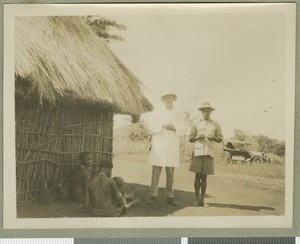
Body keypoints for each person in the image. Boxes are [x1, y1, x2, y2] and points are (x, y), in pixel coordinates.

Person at [147, 92, 186, 206]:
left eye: (170, 97)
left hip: (171, 146)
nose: (168, 99)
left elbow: (184, 128)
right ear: (163, 99)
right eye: (166, 98)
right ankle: (153, 196)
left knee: (170, 174)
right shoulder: (157, 112)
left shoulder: (178, 113)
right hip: (159, 144)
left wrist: (175, 128)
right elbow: (150, 126)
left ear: (174, 99)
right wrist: (161, 125)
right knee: (156, 173)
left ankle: (170, 196)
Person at [189, 102, 223, 207]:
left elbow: (220, 139)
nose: (206, 112)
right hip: (198, 152)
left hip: (209, 152)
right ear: (201, 112)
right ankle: (196, 200)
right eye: (204, 110)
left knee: (204, 177)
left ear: (211, 112)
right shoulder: (196, 124)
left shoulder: (215, 124)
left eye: (208, 110)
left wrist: (213, 138)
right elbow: (190, 138)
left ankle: (202, 201)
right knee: (197, 176)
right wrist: (198, 137)